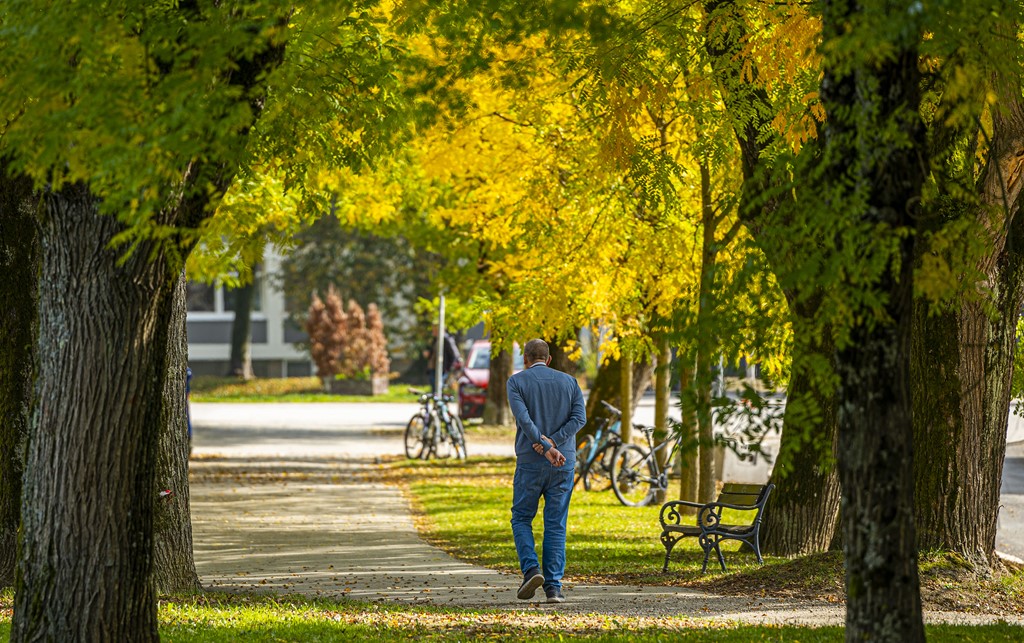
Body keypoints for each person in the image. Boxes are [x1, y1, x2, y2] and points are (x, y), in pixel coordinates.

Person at [506, 338, 586, 604]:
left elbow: (523, 419)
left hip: (530, 461)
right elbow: (579, 418)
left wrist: (542, 442)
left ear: (525, 359)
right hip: (563, 462)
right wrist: (555, 442)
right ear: (549, 359)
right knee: (555, 524)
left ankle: (531, 570)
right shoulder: (570, 382)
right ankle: (554, 588)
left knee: (521, 518)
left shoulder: (516, 382)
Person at [423, 326, 462, 393]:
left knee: (438, 388)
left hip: (442, 369)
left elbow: (454, 355)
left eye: (434, 330)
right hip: (433, 368)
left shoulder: (446, 339)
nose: (433, 332)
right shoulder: (436, 339)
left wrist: (448, 368)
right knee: (434, 388)